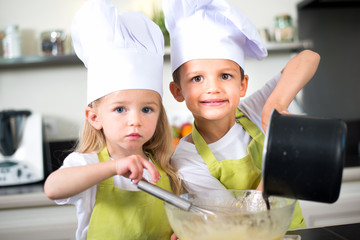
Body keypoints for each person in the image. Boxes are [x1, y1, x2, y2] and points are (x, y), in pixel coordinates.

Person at [163, 0, 320, 229]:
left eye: (225, 76)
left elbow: (309, 57)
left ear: (242, 85)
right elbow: (237, 223)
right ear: (178, 91)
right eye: (197, 78)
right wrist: (281, 165)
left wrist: (275, 102)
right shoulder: (187, 159)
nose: (213, 88)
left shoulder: (254, 111)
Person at [44, 0, 181, 239]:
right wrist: (114, 167)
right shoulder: (88, 163)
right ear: (95, 117)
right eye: (120, 109)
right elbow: (53, 188)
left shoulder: (165, 167)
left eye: (147, 110)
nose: (135, 120)